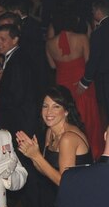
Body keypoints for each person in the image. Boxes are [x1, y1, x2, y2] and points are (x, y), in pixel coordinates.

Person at [14, 86, 91, 207]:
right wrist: (33, 155)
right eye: (45, 106)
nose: (48, 112)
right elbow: (47, 172)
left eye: (55, 107)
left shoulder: (68, 138)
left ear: (66, 110)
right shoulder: (51, 132)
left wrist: (37, 157)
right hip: (67, 203)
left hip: (84, 206)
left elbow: (65, 183)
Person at [0, 23, 45, 207]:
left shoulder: (18, 60)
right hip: (22, 121)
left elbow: (16, 96)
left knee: (27, 167)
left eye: (3, 39)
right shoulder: (15, 58)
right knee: (29, 166)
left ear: (15, 40)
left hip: (21, 123)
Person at [45, 10, 105, 159]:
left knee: (67, 118)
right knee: (89, 119)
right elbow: (89, 62)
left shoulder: (49, 43)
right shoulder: (82, 38)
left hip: (63, 86)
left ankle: (68, 152)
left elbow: (52, 66)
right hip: (82, 85)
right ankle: (93, 153)